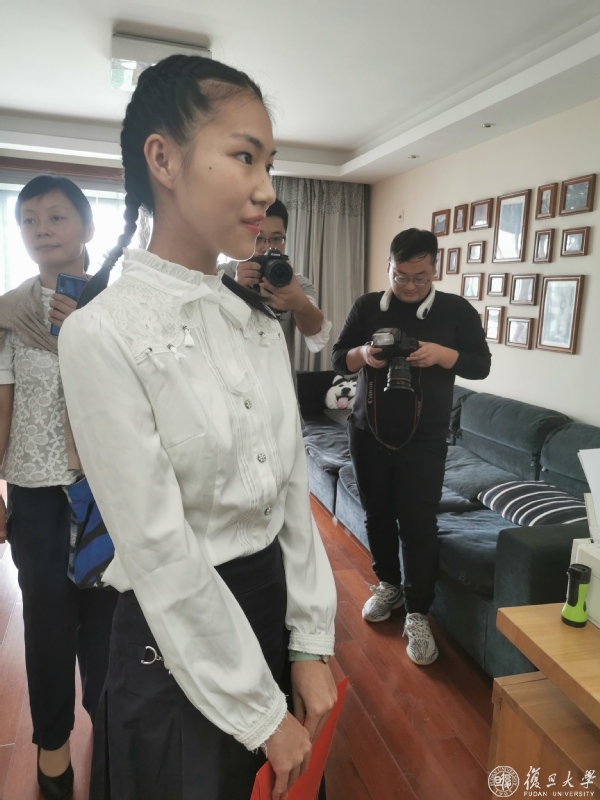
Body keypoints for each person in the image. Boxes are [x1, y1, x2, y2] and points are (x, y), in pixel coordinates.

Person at [57, 54, 337, 800]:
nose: (266, 188)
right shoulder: (101, 334)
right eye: (245, 156)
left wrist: (310, 643)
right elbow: (157, 550)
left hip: (271, 615)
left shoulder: (254, 323)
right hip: (174, 644)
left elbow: (291, 492)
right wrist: (260, 711)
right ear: (164, 160)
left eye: (269, 163)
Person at [0, 175, 118, 799]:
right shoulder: (9, 312)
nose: (41, 229)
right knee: (46, 622)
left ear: (87, 227)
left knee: (108, 620)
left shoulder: (120, 303)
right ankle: (53, 748)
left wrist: (93, 331)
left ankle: (111, 733)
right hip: (36, 489)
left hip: (111, 489)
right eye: (29, 219)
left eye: (56, 216)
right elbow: (2, 404)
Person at [331, 228, 490, 666]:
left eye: (420, 277)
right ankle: (389, 585)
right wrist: (364, 354)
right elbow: (338, 357)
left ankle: (418, 612)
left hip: (424, 439)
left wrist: (441, 354)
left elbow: (481, 366)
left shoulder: (455, 311)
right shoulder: (367, 306)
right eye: (401, 276)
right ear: (389, 266)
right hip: (368, 433)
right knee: (377, 514)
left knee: (418, 524)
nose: (409, 286)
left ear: (435, 268)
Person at [220, 199, 331, 380]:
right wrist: (235, 289)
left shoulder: (296, 282)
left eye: (277, 239)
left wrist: (300, 303)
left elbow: (316, 337)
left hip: (280, 389)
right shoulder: (221, 276)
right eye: (258, 238)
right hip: (234, 387)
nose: (267, 247)